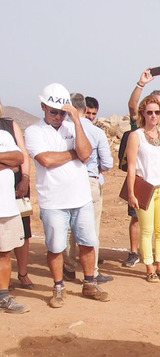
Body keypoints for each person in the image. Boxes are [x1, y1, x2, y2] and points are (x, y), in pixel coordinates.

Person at [24, 83, 110, 308]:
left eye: (62, 112)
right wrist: (73, 153)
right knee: (55, 246)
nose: (58, 116)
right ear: (43, 106)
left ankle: (89, 283)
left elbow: (86, 153)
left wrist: (77, 121)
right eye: (53, 111)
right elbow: (46, 160)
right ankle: (58, 286)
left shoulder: (73, 128)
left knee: (88, 243)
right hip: (53, 201)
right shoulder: (34, 131)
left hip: (80, 198)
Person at [124, 69, 160, 268]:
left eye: (158, 111)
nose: (154, 115)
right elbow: (131, 167)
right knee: (146, 230)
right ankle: (148, 268)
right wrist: (131, 193)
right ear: (143, 114)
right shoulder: (136, 135)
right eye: (150, 112)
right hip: (145, 187)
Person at [62, 93, 114, 284]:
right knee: (91, 230)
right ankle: (92, 271)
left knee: (68, 228)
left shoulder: (64, 129)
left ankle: (68, 267)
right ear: (85, 109)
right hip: (89, 181)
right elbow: (108, 163)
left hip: (67, 182)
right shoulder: (96, 132)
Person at [0, 98, 33, 290]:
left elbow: (21, 156)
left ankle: (23, 274)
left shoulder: (8, 126)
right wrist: (8, 164)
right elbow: (13, 158)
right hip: (8, 184)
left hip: (18, 187)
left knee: (22, 231)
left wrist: (25, 178)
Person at [0, 125, 28, 313]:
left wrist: (11, 162)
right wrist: (6, 162)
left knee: (4, 253)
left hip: (5, 206)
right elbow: (13, 162)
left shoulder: (3, 134)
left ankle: (2, 297)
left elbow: (19, 159)